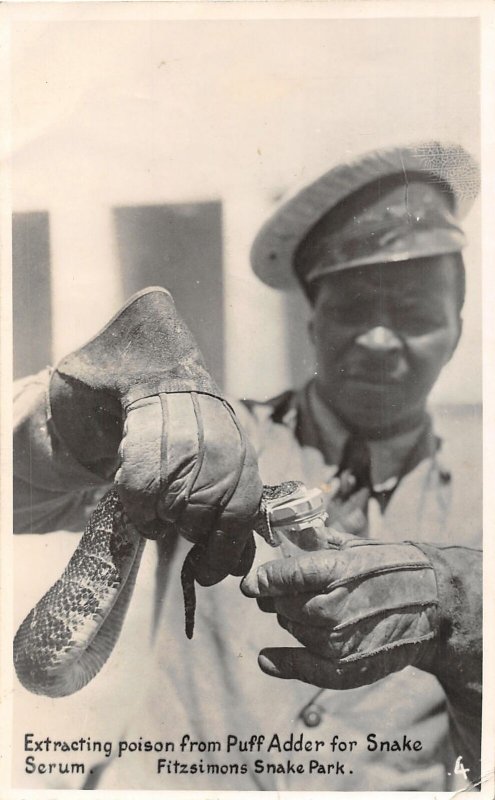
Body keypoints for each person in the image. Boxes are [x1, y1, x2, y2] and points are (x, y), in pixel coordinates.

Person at [13, 142, 481, 791]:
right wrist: (87, 411)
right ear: (312, 324)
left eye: (412, 313)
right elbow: (20, 495)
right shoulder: (211, 440)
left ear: (454, 330)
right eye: (350, 310)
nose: (378, 339)